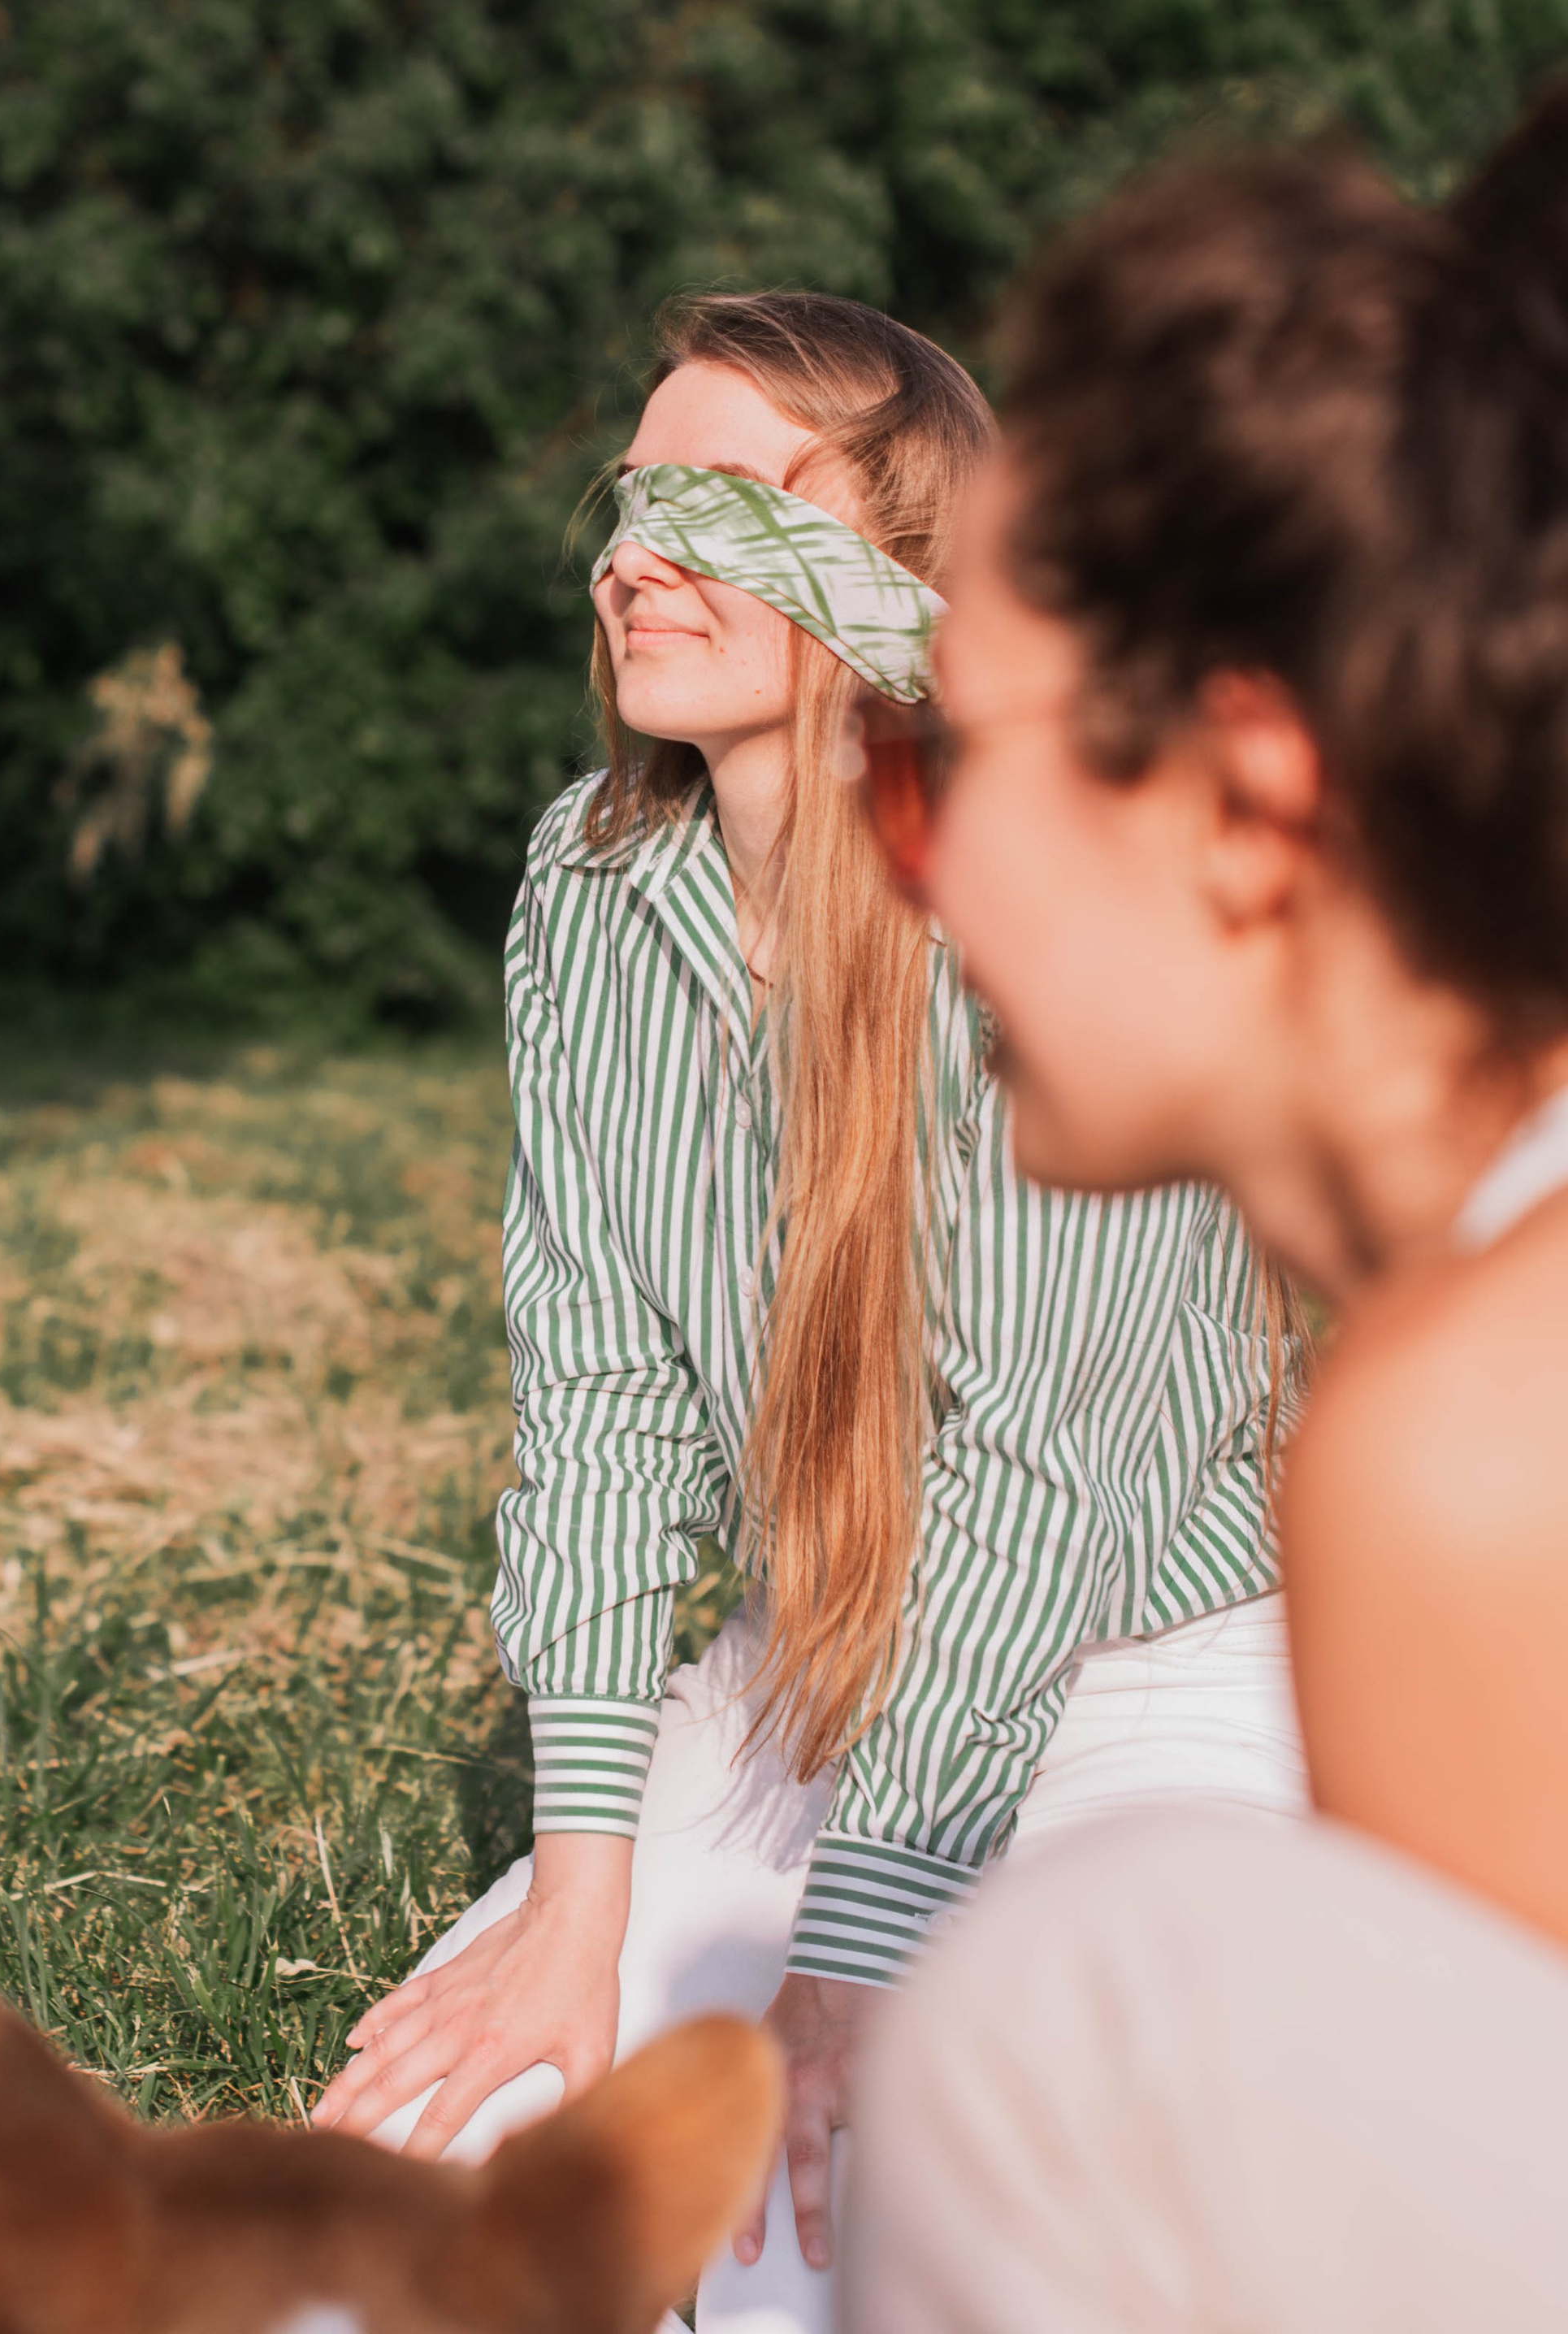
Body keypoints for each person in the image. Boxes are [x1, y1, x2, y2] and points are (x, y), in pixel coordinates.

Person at [313, 292, 1305, 2334]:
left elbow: (1039, 1480)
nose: (630, 557)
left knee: (864, 2241)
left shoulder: (1053, 927)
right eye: (629, 496)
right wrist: (575, 1908)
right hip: (822, 1662)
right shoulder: (591, 891)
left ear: (907, 595)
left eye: (730, 501)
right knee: (443, 2184)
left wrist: (845, 1973)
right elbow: (593, 1398)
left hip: (1154, 1669)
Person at [849, 78, 1568, 2334]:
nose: (913, 871)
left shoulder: (1471, 1448)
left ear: (1248, 801)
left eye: (939, 757)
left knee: (1089, 1999)